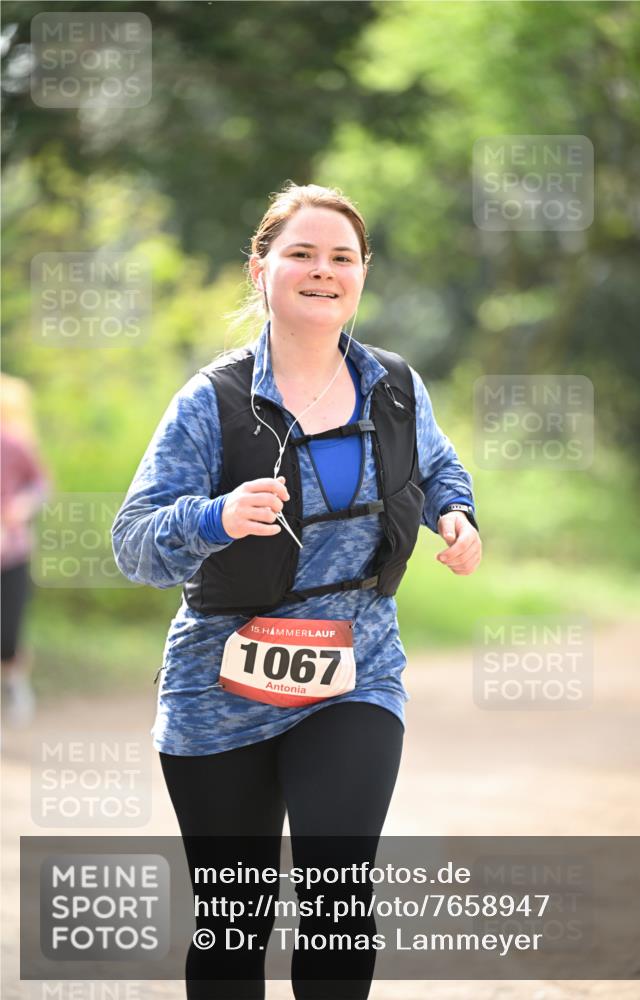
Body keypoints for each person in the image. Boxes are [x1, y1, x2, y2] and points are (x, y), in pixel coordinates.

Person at [112, 182, 482, 999]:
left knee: (337, 898)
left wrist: (455, 515)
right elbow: (133, 544)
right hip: (220, 690)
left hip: (355, 673)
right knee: (233, 923)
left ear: (362, 273)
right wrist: (215, 516)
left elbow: (437, 465)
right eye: (302, 254)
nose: (323, 270)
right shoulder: (211, 401)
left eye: (341, 257)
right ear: (261, 269)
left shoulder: (393, 385)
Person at [1, 373, 50, 727]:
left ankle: (16, 684)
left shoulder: (14, 444)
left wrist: (21, 507)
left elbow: (41, 484)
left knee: (8, 631)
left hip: (12, 552)